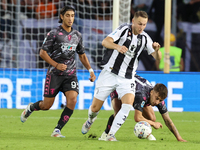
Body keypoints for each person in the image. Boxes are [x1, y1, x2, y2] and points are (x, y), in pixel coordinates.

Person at [81, 11, 161, 141]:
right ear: (133, 21)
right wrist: (117, 47)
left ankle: (110, 135)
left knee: (127, 105)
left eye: (144, 25)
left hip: (127, 78)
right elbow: (105, 42)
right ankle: (90, 120)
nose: (141, 27)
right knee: (95, 108)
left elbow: (157, 58)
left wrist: (157, 50)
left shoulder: (145, 38)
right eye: (139, 24)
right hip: (110, 73)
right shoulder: (123, 30)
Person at [20, 5, 96, 138]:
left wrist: (90, 70)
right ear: (62, 16)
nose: (70, 18)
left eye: (72, 15)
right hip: (54, 74)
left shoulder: (77, 35)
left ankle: (57, 130)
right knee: (46, 105)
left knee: (72, 100)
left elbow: (82, 55)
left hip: (70, 74)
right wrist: (56, 65)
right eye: (68, 15)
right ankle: (31, 108)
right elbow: (42, 53)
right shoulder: (53, 34)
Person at [98, 75, 187, 142]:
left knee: (152, 117)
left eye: (160, 100)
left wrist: (179, 138)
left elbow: (168, 120)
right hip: (119, 86)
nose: (157, 102)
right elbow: (137, 118)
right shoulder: (142, 94)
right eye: (156, 98)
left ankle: (147, 133)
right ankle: (106, 134)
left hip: (134, 91)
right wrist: (153, 124)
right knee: (118, 113)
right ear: (152, 92)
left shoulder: (157, 99)